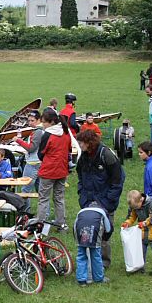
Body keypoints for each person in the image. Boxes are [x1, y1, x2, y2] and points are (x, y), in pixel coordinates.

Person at [75, 128, 124, 270]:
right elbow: (80, 176)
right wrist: (82, 195)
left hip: (105, 202)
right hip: (88, 201)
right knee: (87, 231)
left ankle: (103, 263)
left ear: (89, 142)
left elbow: (117, 181)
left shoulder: (106, 155)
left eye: (82, 143)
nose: (80, 145)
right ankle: (89, 261)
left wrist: (107, 202)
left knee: (104, 234)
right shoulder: (83, 157)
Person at [35, 107, 72, 230]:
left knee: (43, 199)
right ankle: (61, 223)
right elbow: (69, 149)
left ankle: (40, 225)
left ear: (51, 122)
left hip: (48, 171)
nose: (43, 125)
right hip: (62, 170)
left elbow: (41, 153)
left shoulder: (48, 135)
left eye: (44, 122)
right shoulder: (65, 132)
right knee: (59, 198)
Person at [124, 189, 152, 275]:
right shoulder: (134, 206)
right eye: (133, 208)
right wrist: (127, 223)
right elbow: (132, 216)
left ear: (141, 200)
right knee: (141, 251)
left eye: (136, 207)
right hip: (142, 232)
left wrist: (145, 223)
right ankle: (140, 267)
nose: (135, 209)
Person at [73, 200, 112, 286]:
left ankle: (81, 280)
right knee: (96, 255)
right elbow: (109, 228)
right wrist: (104, 238)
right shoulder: (103, 212)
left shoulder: (81, 211)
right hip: (94, 231)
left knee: (81, 255)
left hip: (80, 231)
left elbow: (75, 225)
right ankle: (98, 278)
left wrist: (77, 240)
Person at [13, 110, 43, 190]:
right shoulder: (40, 130)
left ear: (39, 120)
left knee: (25, 189)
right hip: (39, 162)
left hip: (33, 163)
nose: (30, 123)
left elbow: (31, 148)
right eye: (29, 121)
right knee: (40, 189)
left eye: (32, 121)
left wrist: (19, 141)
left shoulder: (38, 132)